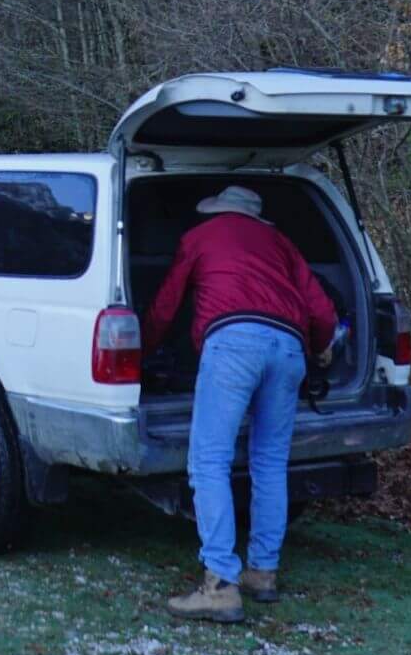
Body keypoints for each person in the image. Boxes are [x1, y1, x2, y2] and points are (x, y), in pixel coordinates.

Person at [142, 185, 338, 623]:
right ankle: (262, 572)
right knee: (270, 462)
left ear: (218, 212)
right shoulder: (281, 242)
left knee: (209, 461)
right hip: (288, 348)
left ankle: (220, 584)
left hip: (233, 344)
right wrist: (322, 347)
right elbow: (321, 310)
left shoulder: (201, 236)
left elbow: (166, 303)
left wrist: (143, 349)